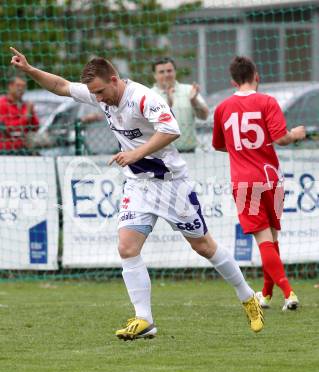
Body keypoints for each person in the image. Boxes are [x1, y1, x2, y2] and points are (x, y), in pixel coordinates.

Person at [10, 47, 264, 340]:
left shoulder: (143, 97)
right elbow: (61, 86)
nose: (99, 98)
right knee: (127, 248)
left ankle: (248, 297)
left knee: (204, 247)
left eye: (102, 92)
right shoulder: (98, 93)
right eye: (95, 94)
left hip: (171, 184)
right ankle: (145, 320)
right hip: (139, 185)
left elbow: (171, 130)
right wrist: (30, 70)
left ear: (115, 79)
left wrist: (135, 154)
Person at [212, 56, 306, 311]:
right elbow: (282, 139)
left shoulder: (222, 108)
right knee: (272, 238)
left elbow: (219, 145)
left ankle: (288, 292)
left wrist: (240, 150)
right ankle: (266, 293)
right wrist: (296, 134)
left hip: (244, 182)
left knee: (264, 239)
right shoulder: (267, 101)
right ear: (257, 76)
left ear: (232, 80)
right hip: (271, 177)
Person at [151, 57, 209, 153]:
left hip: (189, 152)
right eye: (161, 72)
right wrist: (168, 104)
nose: (166, 75)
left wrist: (194, 101)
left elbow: (204, 116)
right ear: (154, 75)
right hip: (162, 154)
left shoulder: (189, 90)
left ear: (175, 72)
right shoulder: (148, 95)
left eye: (169, 71)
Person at [0, 75, 39, 153]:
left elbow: (35, 128)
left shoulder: (25, 105)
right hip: (5, 151)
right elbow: (7, 129)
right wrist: (26, 115)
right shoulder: (2, 103)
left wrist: (31, 112)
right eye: (18, 85)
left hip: (23, 148)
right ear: (10, 86)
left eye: (23, 86)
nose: (21, 89)